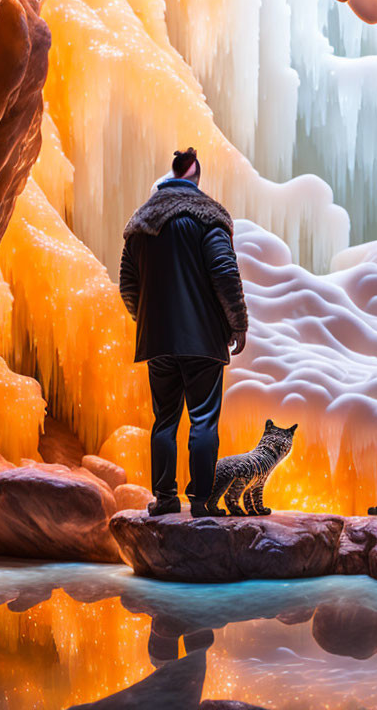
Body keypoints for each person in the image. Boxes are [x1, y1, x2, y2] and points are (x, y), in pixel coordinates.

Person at [119, 147, 248, 517]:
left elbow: (128, 284)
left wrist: (147, 319)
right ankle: (203, 502)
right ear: (195, 176)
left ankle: (164, 498)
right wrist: (238, 322)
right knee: (203, 419)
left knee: (165, 420)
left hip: (158, 341)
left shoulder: (142, 220)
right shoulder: (209, 216)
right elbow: (224, 273)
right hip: (204, 340)